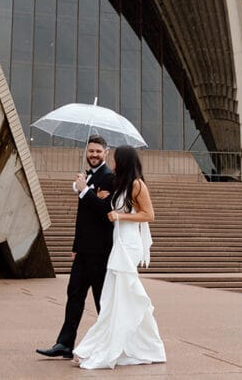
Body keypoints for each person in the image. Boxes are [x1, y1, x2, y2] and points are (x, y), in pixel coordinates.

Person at [72, 145, 166, 369]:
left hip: (129, 244)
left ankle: (128, 346)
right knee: (114, 297)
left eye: (116, 159)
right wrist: (88, 190)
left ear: (124, 161)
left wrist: (120, 216)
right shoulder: (122, 183)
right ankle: (129, 344)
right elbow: (105, 206)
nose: (113, 162)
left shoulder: (137, 184)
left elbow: (149, 214)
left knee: (123, 295)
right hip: (119, 242)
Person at [36, 135, 115, 360]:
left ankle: (109, 344)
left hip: (100, 251)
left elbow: (106, 211)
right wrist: (76, 246)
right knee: (74, 295)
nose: (94, 155)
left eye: (98, 151)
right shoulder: (87, 177)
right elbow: (83, 219)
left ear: (106, 152)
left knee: (101, 300)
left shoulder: (109, 178)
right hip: (83, 251)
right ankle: (65, 343)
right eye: (91, 151)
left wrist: (84, 191)